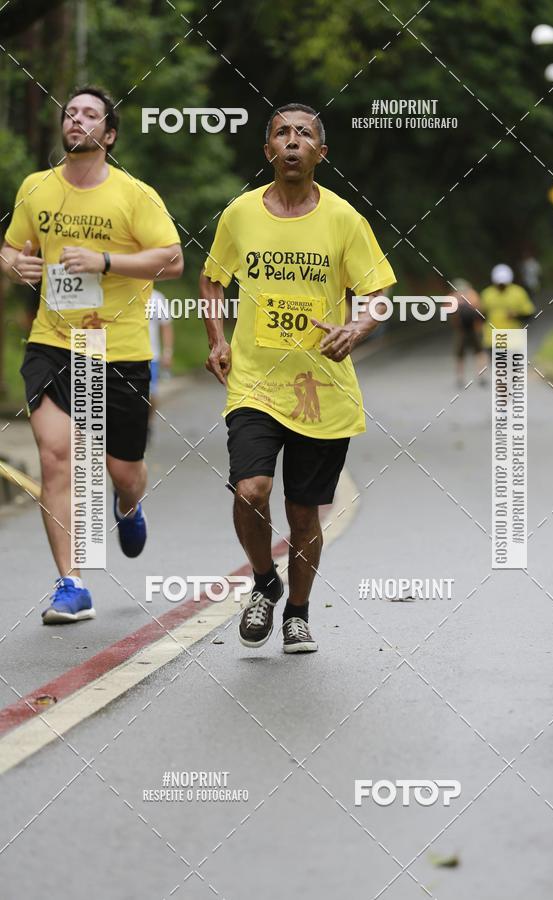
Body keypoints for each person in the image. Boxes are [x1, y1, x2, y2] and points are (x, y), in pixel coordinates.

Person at [199, 102, 396, 654]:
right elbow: (212, 279)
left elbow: (378, 292)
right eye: (281, 133)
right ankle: (265, 581)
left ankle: (298, 614)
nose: (292, 141)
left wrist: (356, 328)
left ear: (320, 153)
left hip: (321, 389)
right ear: (267, 150)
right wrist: (216, 339)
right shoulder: (240, 214)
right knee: (251, 489)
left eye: (304, 134)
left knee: (303, 513)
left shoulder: (343, 219)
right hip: (255, 382)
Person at [0, 86, 183, 624]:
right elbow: (11, 248)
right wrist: (12, 264)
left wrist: (104, 261)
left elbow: (172, 260)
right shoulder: (36, 188)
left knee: (122, 471)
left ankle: (128, 504)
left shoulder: (135, 195)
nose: (76, 119)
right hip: (54, 342)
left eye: (90, 114)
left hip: (117, 349)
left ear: (109, 134)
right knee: (57, 458)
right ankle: (72, 583)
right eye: (70, 112)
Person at [480, 264, 535, 354]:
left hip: (514, 337)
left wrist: (517, 316)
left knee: (512, 363)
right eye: (499, 284)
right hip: (493, 338)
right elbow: (481, 315)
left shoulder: (518, 293)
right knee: (500, 362)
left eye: (504, 284)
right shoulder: (487, 294)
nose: (501, 286)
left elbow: (529, 315)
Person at [147, 287, 174, 442]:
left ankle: (149, 423)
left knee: (151, 394)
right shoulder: (126, 293)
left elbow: (166, 327)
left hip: (152, 356)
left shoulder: (157, 298)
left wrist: (167, 352)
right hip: (130, 354)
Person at [449, 278, 486, 387]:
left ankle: (460, 378)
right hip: (475, 328)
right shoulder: (473, 295)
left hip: (461, 330)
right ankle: (482, 376)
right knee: (479, 352)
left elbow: (449, 313)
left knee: (460, 355)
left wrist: (456, 323)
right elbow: (480, 310)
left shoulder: (452, 297)